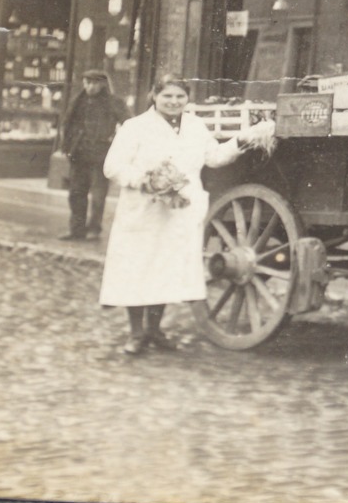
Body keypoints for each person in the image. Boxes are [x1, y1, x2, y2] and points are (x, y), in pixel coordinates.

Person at [99, 74, 246, 356]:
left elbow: (214, 157)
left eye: (180, 96)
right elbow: (113, 166)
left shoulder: (195, 127)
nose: (174, 101)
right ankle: (136, 333)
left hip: (179, 212)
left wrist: (241, 141)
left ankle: (155, 329)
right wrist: (144, 180)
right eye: (167, 96)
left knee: (164, 268)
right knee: (139, 267)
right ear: (154, 96)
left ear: (187, 98)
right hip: (143, 211)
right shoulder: (135, 127)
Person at [59, 68, 126, 241]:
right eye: (87, 82)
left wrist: (116, 143)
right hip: (79, 153)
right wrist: (67, 146)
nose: (90, 87)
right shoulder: (78, 101)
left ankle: (94, 229)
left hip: (101, 155)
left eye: (94, 83)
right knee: (76, 193)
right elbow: (67, 124)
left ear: (102, 84)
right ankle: (76, 229)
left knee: (98, 195)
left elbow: (128, 125)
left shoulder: (113, 102)